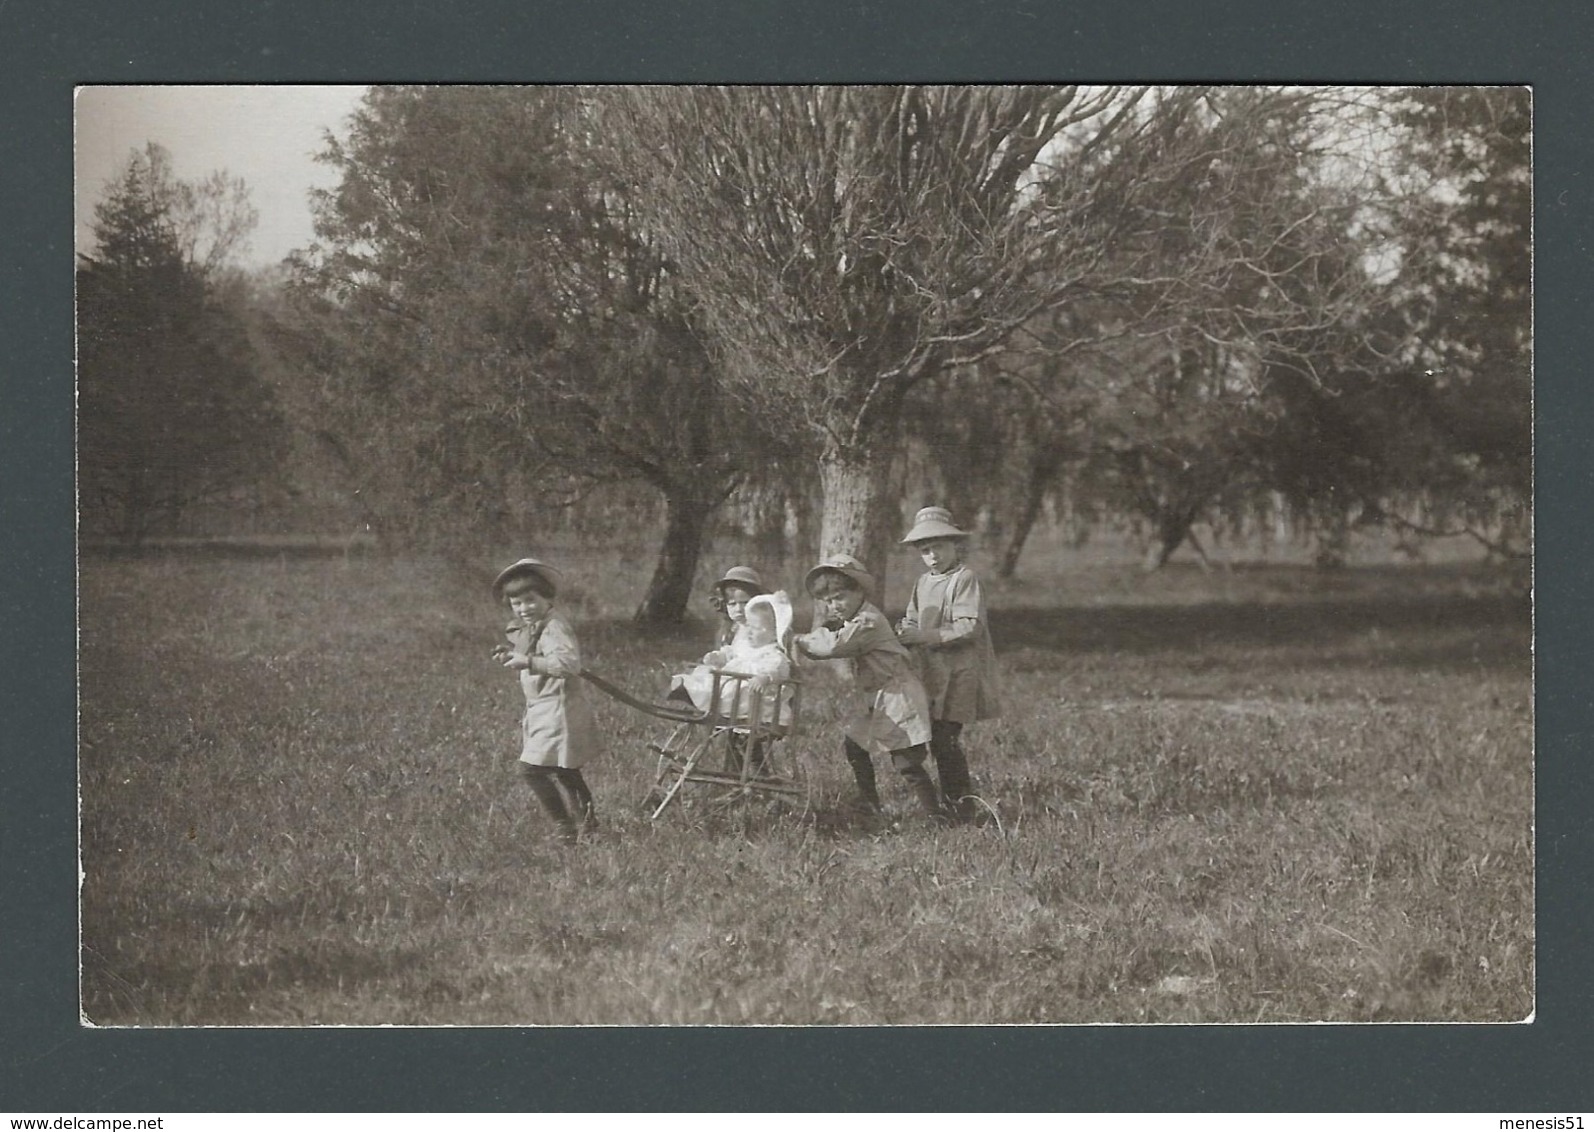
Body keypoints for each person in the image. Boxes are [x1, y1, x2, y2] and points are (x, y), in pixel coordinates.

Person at [792, 555, 943, 819]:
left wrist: (796, 639)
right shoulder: (854, 619)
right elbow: (830, 637)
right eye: (827, 601)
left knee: (906, 761)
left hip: (899, 696)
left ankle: (934, 816)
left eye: (839, 597)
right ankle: (870, 806)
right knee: (855, 746)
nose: (833, 606)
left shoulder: (867, 622)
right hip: (879, 698)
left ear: (858, 590)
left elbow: (832, 646)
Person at [896, 506, 1003, 822]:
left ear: (956, 545)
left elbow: (969, 626)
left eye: (939, 547)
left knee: (945, 740)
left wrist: (922, 636)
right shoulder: (923, 582)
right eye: (925, 550)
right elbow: (912, 616)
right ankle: (943, 803)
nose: (932, 556)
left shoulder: (963, 579)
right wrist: (904, 631)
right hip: (930, 673)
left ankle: (961, 807)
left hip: (958, 672)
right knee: (931, 737)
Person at [491, 558, 602, 846]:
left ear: (547, 597)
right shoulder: (537, 626)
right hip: (545, 707)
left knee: (531, 770)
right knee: (565, 769)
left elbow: (567, 663)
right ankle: (589, 827)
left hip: (559, 709)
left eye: (530, 600)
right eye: (516, 603)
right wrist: (511, 653)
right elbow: (534, 652)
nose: (523, 608)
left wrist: (526, 661)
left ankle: (564, 827)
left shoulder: (553, 627)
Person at [668, 591, 794, 725]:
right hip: (733, 685)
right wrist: (719, 657)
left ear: (775, 634)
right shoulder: (744, 645)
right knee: (709, 673)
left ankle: (694, 694)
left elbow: (778, 669)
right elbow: (731, 653)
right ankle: (691, 689)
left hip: (752, 700)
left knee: (729, 690)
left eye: (756, 628)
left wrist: (765, 678)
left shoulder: (772, 654)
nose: (749, 632)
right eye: (748, 627)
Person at [709, 565, 768, 650]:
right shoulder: (730, 630)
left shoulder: (763, 630)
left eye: (745, 603)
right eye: (732, 604)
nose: (739, 609)